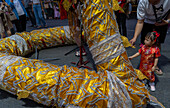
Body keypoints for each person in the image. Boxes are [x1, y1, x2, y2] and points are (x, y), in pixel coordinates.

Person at [130, 0, 170, 75]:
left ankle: (155, 65)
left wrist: (167, 20)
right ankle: (144, 63)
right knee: (145, 45)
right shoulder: (143, 1)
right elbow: (140, 22)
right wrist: (134, 37)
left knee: (157, 44)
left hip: (162, 21)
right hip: (147, 22)